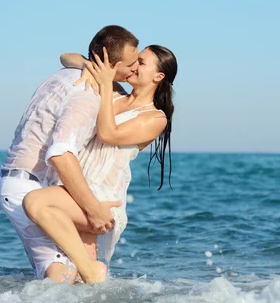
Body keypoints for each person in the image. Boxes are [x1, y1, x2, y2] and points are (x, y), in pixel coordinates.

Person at [22, 44, 177, 283]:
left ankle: (92, 271)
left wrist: (105, 84)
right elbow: (66, 57)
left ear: (159, 76)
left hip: (102, 199)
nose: (133, 66)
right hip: (77, 189)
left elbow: (108, 133)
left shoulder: (155, 118)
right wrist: (90, 66)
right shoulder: (115, 93)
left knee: (35, 202)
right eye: (134, 61)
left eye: (142, 63)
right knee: (72, 283)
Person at [0, 25, 139, 284]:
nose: (135, 69)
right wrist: (94, 210)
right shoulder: (85, 92)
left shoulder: (64, 74)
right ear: (107, 62)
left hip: (26, 181)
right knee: (63, 272)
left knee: (68, 272)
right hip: (28, 187)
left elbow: (67, 56)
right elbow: (61, 154)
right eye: (130, 64)